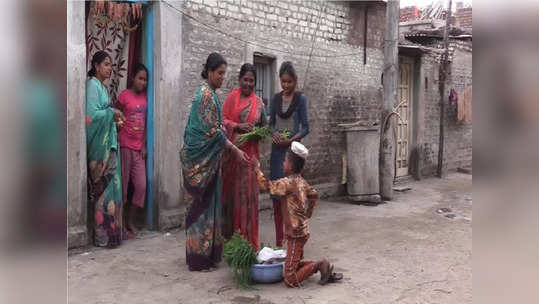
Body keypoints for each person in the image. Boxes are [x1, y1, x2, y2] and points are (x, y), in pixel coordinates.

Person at [181, 53, 250, 271]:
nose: (222, 77)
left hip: (209, 162)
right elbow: (210, 132)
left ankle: (208, 256)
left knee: (209, 209)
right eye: (219, 73)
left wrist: (220, 130)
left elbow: (214, 128)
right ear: (209, 71)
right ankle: (199, 259)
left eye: (224, 74)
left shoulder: (211, 94)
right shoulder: (206, 95)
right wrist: (236, 150)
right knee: (200, 211)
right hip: (199, 163)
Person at [254, 142, 343, 287]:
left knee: (290, 278)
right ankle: (319, 265)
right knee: (291, 263)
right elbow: (314, 194)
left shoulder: (287, 183)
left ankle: (320, 264)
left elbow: (267, 186)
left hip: (296, 234)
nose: (283, 163)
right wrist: (308, 213)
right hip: (300, 231)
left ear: (290, 165)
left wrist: (257, 170)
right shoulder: (301, 182)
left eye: (285, 161)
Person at [221, 63, 267, 251]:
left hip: (250, 160)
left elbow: (266, 128)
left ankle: (249, 244)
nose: (248, 83)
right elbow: (221, 122)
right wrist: (237, 127)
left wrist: (256, 133)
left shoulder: (259, 104)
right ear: (240, 80)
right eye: (245, 79)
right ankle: (231, 243)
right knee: (231, 201)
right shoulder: (232, 98)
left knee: (248, 201)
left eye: (251, 80)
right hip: (232, 158)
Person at [86, 50, 126, 248]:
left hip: (109, 144)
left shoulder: (101, 87)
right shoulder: (92, 86)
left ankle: (111, 235)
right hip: (99, 150)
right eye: (106, 64)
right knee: (101, 192)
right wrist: (112, 112)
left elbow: (105, 115)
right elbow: (91, 116)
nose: (110, 68)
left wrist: (115, 122)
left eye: (111, 65)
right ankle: (102, 237)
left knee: (110, 190)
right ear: (96, 66)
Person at [269, 61, 310, 247]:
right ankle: (280, 241)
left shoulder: (300, 99)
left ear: (295, 81)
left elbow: (306, 127)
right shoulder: (275, 99)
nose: (286, 85)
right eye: (283, 81)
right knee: (278, 198)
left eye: (289, 82)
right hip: (277, 154)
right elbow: (269, 125)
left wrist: (292, 140)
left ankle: (293, 239)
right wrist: (274, 134)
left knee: (291, 199)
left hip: (292, 156)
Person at [116, 63, 148, 238]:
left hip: (138, 150)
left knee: (141, 186)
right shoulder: (124, 96)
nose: (142, 82)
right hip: (124, 146)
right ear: (132, 78)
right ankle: (120, 224)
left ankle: (131, 221)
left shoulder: (145, 98)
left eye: (145, 80)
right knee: (123, 188)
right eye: (140, 78)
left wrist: (143, 145)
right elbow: (116, 116)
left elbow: (146, 124)